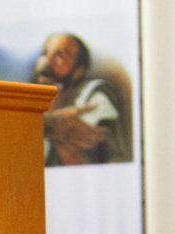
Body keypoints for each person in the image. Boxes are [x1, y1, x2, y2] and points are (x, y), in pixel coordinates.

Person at [35, 32, 130, 166]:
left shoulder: (96, 93)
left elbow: (77, 159)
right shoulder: (21, 99)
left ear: (79, 71)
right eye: (45, 53)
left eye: (60, 55)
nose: (47, 63)